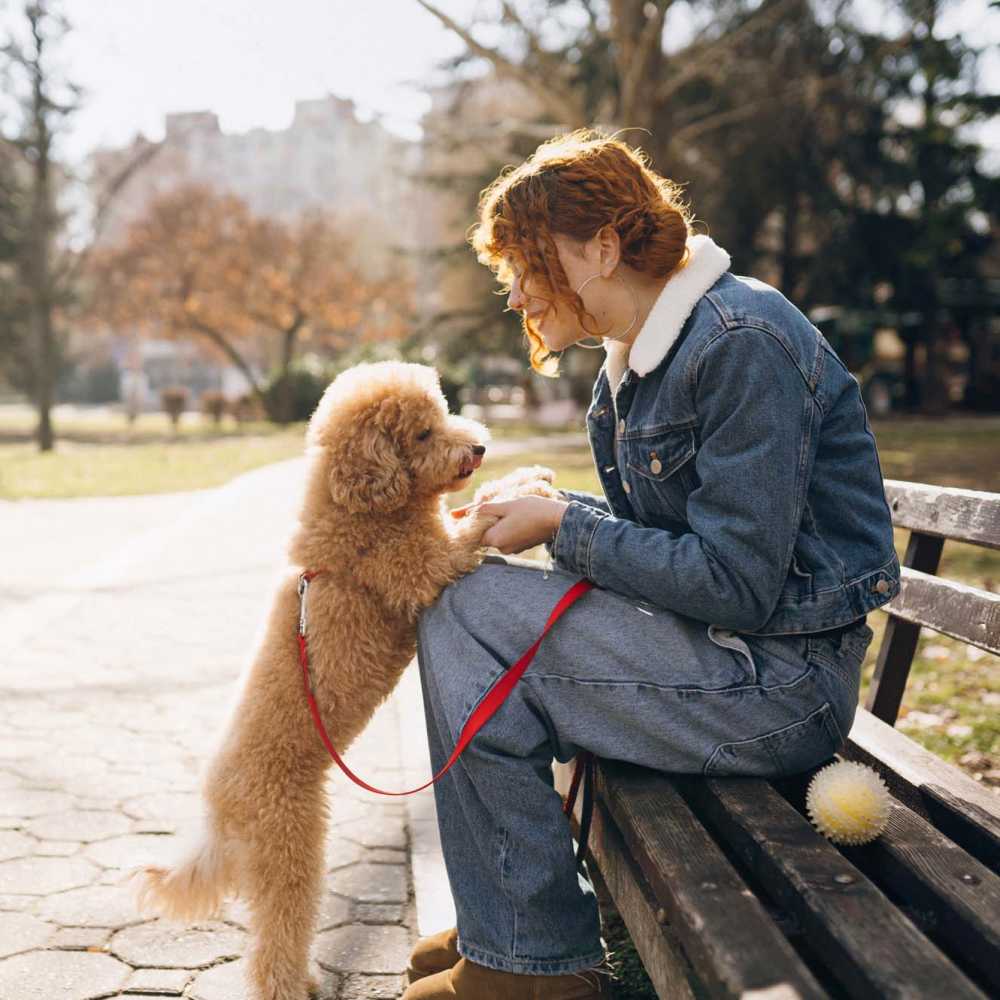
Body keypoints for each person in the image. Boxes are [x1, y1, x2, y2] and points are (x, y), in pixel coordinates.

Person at [402, 130, 900, 1000]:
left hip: (781, 685)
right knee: (467, 597)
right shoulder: (632, 367)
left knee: (469, 615)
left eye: (525, 262)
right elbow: (670, 558)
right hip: (720, 652)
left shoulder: (742, 341)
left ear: (602, 248)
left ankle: (527, 957)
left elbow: (736, 583)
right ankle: (514, 924)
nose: (514, 291)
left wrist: (565, 526)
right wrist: (554, 512)